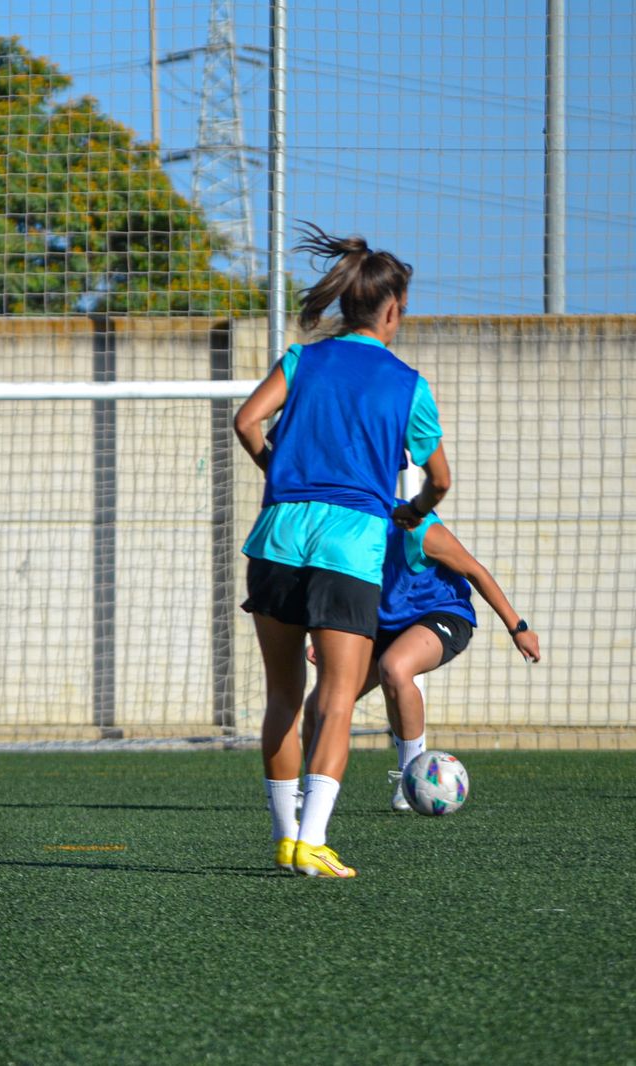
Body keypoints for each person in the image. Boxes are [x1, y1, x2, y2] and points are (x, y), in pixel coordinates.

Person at [233, 223, 450, 878]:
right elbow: (439, 479)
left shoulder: (302, 359)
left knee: (280, 696)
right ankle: (313, 839)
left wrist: (283, 477)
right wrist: (411, 512)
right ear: (392, 309)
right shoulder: (408, 384)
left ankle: (282, 836)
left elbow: (245, 421)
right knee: (335, 694)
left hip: (276, 535)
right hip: (349, 545)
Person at [301, 503, 542, 810]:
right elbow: (337, 590)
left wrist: (517, 628)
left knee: (395, 667)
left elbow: (474, 571)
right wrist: (326, 638)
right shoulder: (340, 531)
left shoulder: (415, 526)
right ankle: (309, 791)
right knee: (319, 704)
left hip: (442, 614)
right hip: (380, 626)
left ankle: (411, 775)